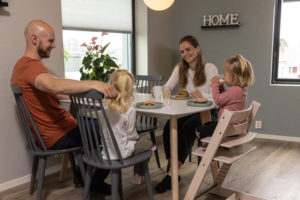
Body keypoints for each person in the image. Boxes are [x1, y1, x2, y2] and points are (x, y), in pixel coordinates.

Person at [10, 20, 118, 194]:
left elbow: (49, 92)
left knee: (92, 125)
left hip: (48, 133)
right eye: (50, 41)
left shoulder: (21, 66)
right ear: (34, 39)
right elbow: (53, 85)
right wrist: (95, 84)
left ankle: (81, 176)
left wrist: (73, 94)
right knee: (110, 131)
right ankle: (94, 183)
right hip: (56, 135)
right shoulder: (31, 66)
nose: (54, 45)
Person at [155, 35, 219, 193]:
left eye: (188, 49)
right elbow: (167, 87)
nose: (185, 54)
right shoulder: (180, 68)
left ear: (197, 48)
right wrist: (161, 90)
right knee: (169, 128)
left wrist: (204, 96)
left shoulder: (209, 68)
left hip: (208, 113)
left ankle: (171, 176)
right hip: (188, 111)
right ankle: (173, 172)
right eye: (182, 51)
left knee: (186, 130)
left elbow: (217, 99)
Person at [102, 69, 156, 185]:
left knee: (139, 143)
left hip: (106, 151)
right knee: (148, 144)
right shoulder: (129, 110)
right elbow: (132, 135)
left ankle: (138, 174)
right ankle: (139, 174)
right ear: (129, 90)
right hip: (122, 153)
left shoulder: (104, 107)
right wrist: (137, 138)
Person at [196, 54, 254, 139]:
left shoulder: (234, 90)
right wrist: (220, 87)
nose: (224, 77)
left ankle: (207, 145)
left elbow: (218, 100)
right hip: (234, 127)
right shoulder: (240, 90)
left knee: (199, 130)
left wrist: (215, 84)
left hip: (227, 128)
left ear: (234, 77)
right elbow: (225, 99)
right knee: (208, 124)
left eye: (225, 75)